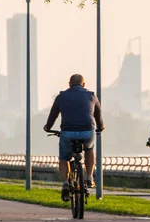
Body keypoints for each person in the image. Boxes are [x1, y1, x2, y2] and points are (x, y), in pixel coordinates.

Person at [43, 73, 105, 202]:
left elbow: (53, 115)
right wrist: (101, 127)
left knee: (64, 158)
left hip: (68, 132)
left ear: (69, 84)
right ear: (83, 84)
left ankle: (65, 183)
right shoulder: (91, 95)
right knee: (89, 150)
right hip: (87, 131)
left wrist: (48, 127)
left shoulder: (61, 96)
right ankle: (89, 177)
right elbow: (98, 115)